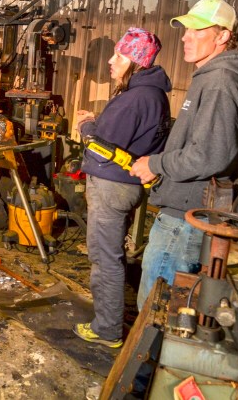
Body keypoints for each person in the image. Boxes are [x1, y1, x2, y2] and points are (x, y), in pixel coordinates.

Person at [130, 0, 238, 310]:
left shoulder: (220, 82)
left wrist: (156, 163)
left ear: (222, 36)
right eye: (186, 30)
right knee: (165, 304)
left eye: (197, 30)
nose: (186, 37)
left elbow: (210, 155)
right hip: (183, 213)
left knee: (157, 308)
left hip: (184, 220)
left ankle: (148, 358)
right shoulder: (210, 78)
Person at [73, 28, 172, 349]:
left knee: (105, 259)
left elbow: (101, 146)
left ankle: (107, 329)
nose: (110, 61)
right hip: (125, 186)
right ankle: (111, 323)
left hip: (111, 187)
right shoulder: (150, 94)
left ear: (136, 62)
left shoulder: (135, 98)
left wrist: (86, 126)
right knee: (111, 256)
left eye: (119, 56)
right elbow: (125, 136)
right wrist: (99, 122)